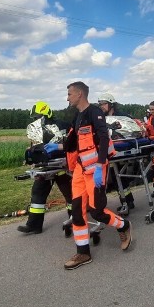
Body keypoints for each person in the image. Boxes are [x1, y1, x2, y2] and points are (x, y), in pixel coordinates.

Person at [48, 81, 131, 270]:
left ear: (79, 94)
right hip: (80, 170)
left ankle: (123, 225)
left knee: (97, 212)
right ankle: (83, 252)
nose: (67, 97)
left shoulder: (95, 113)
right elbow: (72, 144)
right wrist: (56, 147)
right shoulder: (77, 117)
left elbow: (103, 138)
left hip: (96, 170)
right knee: (77, 211)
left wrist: (102, 167)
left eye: (69, 94)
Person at [18, 101, 74, 235]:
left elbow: (72, 142)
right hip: (45, 166)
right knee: (37, 192)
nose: (35, 120)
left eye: (37, 117)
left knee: (70, 195)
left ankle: (75, 221)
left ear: (45, 114)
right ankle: (34, 225)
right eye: (34, 118)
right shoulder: (37, 129)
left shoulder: (62, 125)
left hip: (61, 166)